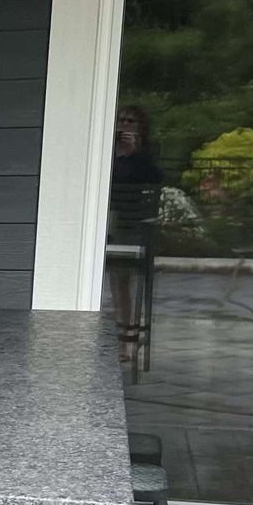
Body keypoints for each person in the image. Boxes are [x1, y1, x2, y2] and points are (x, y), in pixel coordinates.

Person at [107, 106, 165, 367]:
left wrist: (133, 154)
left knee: (124, 281)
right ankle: (123, 333)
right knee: (116, 282)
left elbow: (153, 182)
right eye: (121, 120)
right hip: (110, 225)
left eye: (130, 121)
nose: (125, 126)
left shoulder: (144, 157)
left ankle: (128, 338)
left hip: (132, 227)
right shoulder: (107, 152)